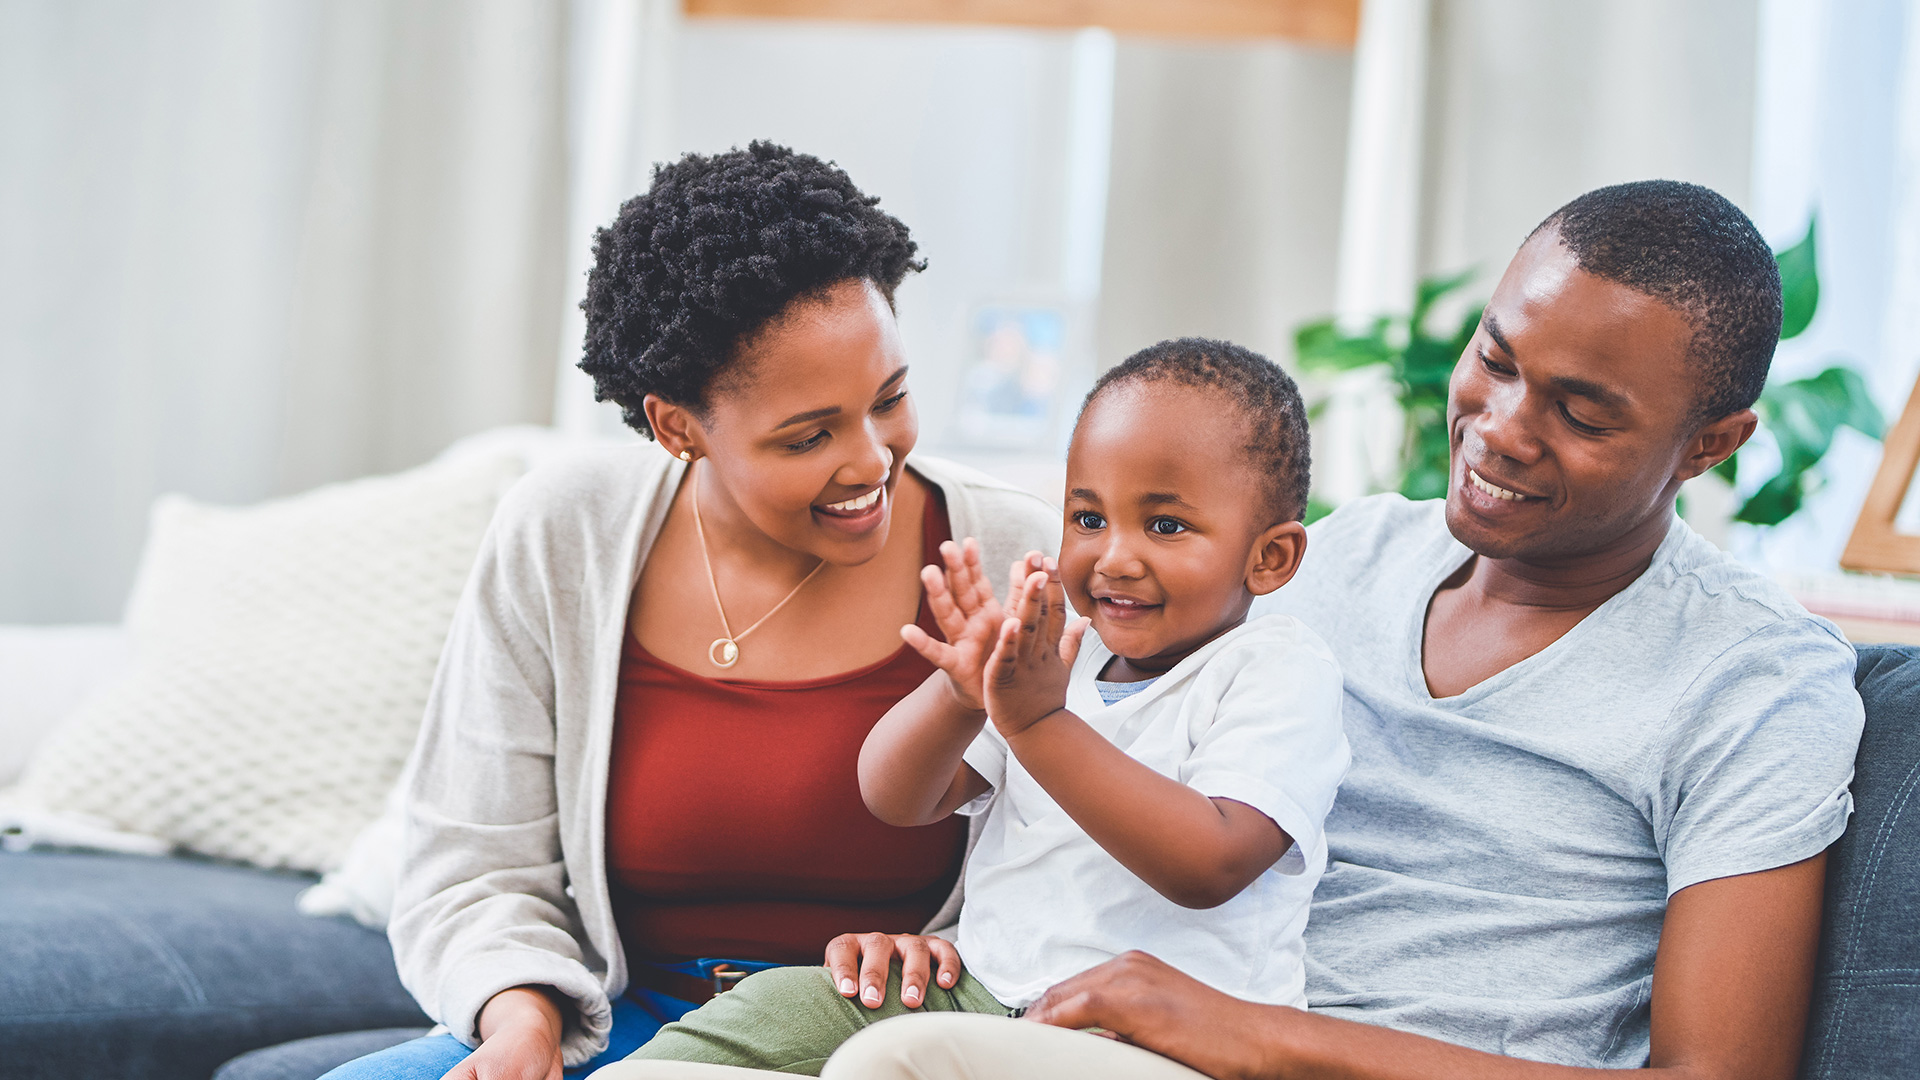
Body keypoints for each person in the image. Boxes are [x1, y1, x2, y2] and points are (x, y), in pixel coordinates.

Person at [628, 180, 1867, 1080]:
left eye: (1584, 414)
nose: (1498, 428)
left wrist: (1259, 1040)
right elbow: (1079, 789)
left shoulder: (1752, 682)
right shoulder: (1337, 563)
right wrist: (953, 940)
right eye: (1496, 360)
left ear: (1713, 445)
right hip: (1112, 1036)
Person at [219, 143, 1061, 1080]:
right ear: (677, 427)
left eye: (891, 400)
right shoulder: (565, 531)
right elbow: (473, 858)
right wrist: (519, 1020)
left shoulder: (1014, 551)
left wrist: (968, 964)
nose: (870, 459)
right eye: (808, 435)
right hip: (621, 1021)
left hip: (878, 1037)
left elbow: (1096, 848)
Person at [599, 339, 1350, 1076]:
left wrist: (1037, 725)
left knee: (890, 1062)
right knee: (767, 1011)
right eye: (1088, 519)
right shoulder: (1062, 652)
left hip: (1159, 1042)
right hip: (980, 996)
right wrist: (961, 693)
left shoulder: (1275, 669)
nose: (1114, 556)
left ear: (1270, 557)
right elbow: (898, 797)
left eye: (1166, 526)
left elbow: (1208, 863)